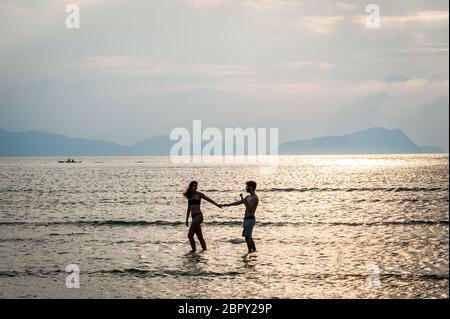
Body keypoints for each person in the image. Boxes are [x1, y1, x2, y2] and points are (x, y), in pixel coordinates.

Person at [184, 181, 221, 253]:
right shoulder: (190, 196)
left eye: (196, 186)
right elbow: (189, 208)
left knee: (190, 235)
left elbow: (208, 199)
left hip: (198, 216)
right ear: (191, 186)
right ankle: (204, 251)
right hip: (193, 217)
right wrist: (187, 219)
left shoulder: (199, 194)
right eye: (194, 186)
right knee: (200, 236)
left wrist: (217, 205)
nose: (196, 187)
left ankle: (193, 252)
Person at [222, 181, 259, 253]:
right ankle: (254, 252)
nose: (246, 188)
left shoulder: (255, 198)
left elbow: (249, 208)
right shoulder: (248, 197)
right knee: (249, 237)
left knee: (247, 238)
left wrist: (243, 200)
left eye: (247, 186)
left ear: (251, 187)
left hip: (250, 220)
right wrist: (227, 205)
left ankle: (250, 252)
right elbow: (238, 203)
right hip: (246, 219)